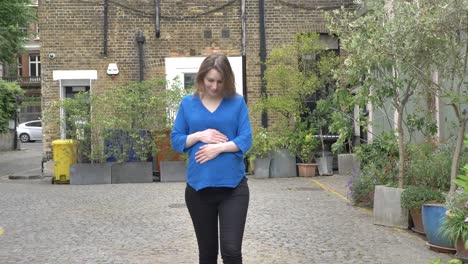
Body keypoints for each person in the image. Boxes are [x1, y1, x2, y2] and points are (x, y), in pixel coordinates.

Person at [171, 54, 252, 264]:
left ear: (227, 80)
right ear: (201, 78)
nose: (214, 86)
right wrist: (199, 135)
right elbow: (176, 139)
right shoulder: (188, 104)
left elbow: (246, 138)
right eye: (210, 80)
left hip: (233, 189)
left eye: (219, 81)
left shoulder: (236, 102)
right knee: (207, 255)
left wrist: (219, 148)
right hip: (198, 190)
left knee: (231, 251)